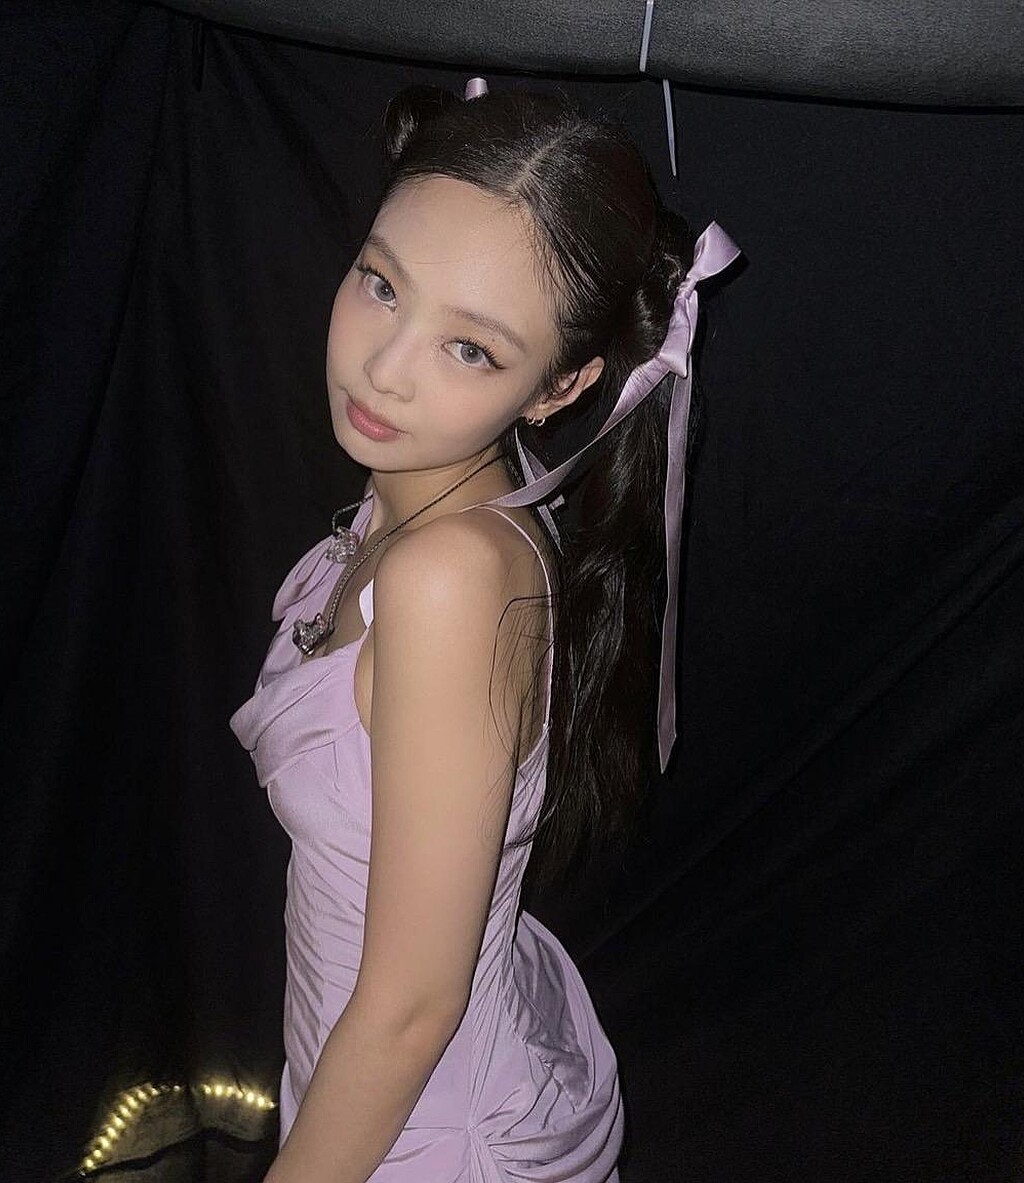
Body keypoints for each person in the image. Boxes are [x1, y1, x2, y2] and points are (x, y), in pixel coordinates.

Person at [229, 77, 740, 1183]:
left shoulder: (448, 578)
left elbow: (412, 1008)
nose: (385, 368)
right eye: (382, 284)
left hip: (417, 1128)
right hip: (370, 1071)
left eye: (471, 349)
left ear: (561, 387)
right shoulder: (431, 493)